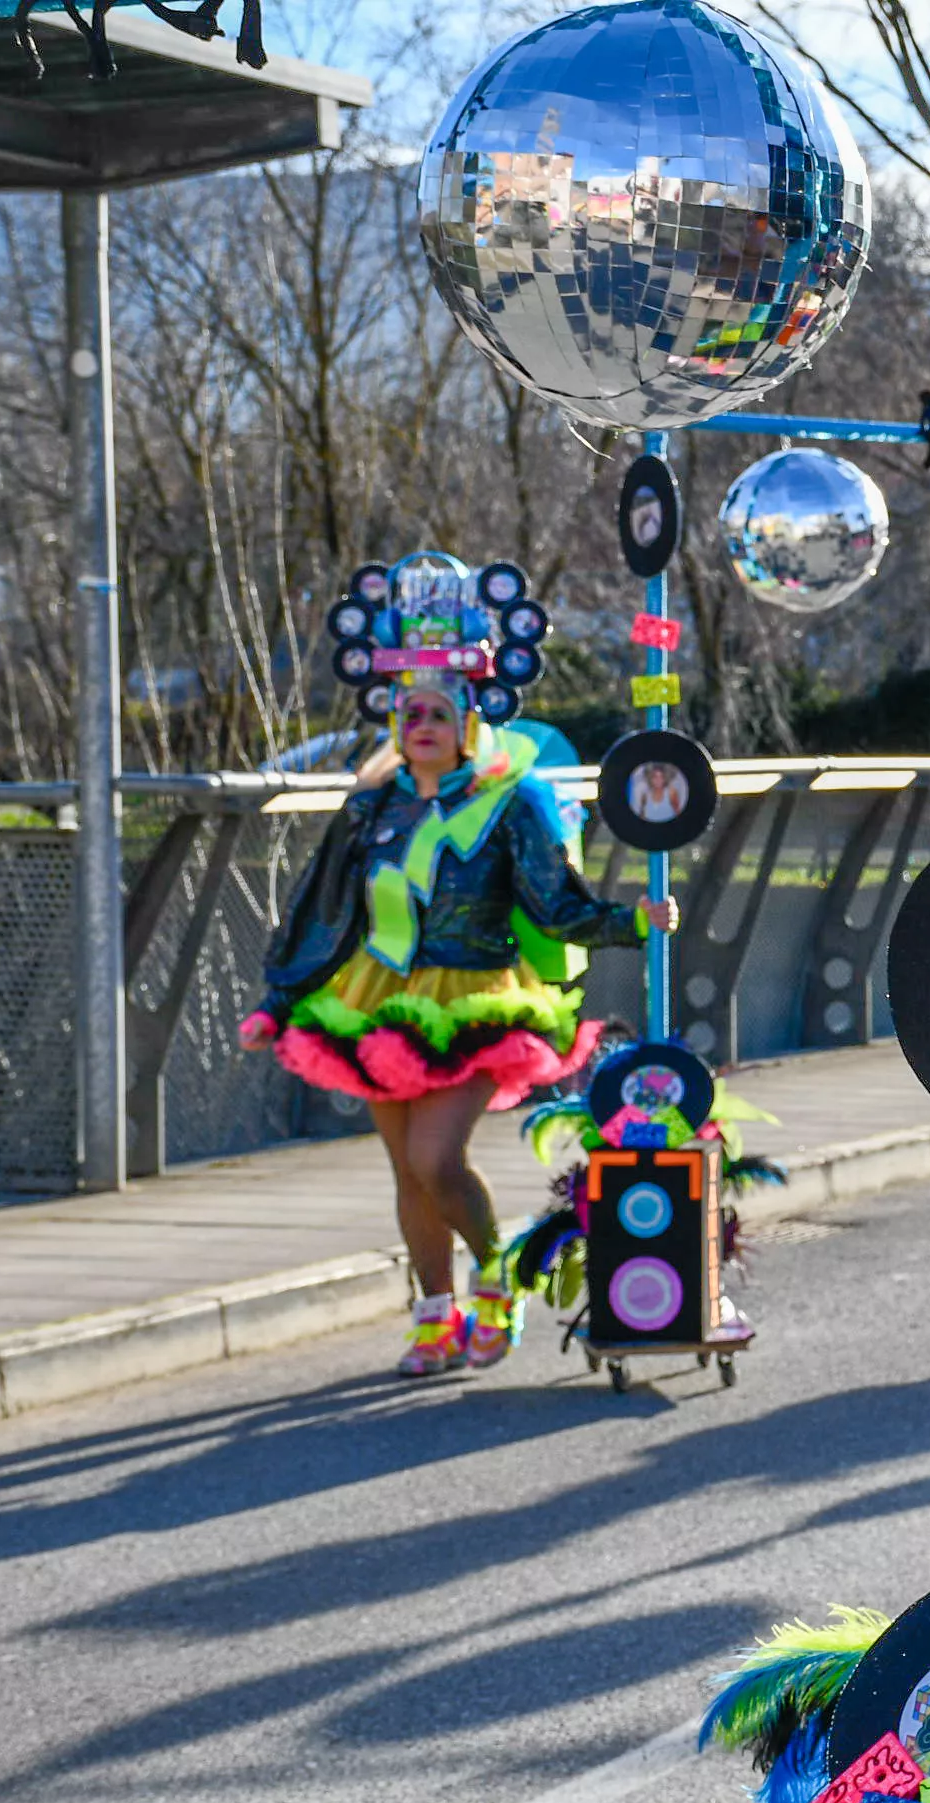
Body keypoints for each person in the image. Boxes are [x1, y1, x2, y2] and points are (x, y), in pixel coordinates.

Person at [240, 556, 669, 1378]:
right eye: (411, 713)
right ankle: (434, 1318)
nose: (424, 724)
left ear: (470, 719)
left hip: (478, 1000)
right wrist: (279, 1000)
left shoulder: (510, 804)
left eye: (440, 711)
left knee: (437, 1160)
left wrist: (633, 921)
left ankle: (497, 1281)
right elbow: (327, 909)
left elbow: (555, 903)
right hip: (380, 999)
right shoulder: (373, 808)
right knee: (407, 1172)